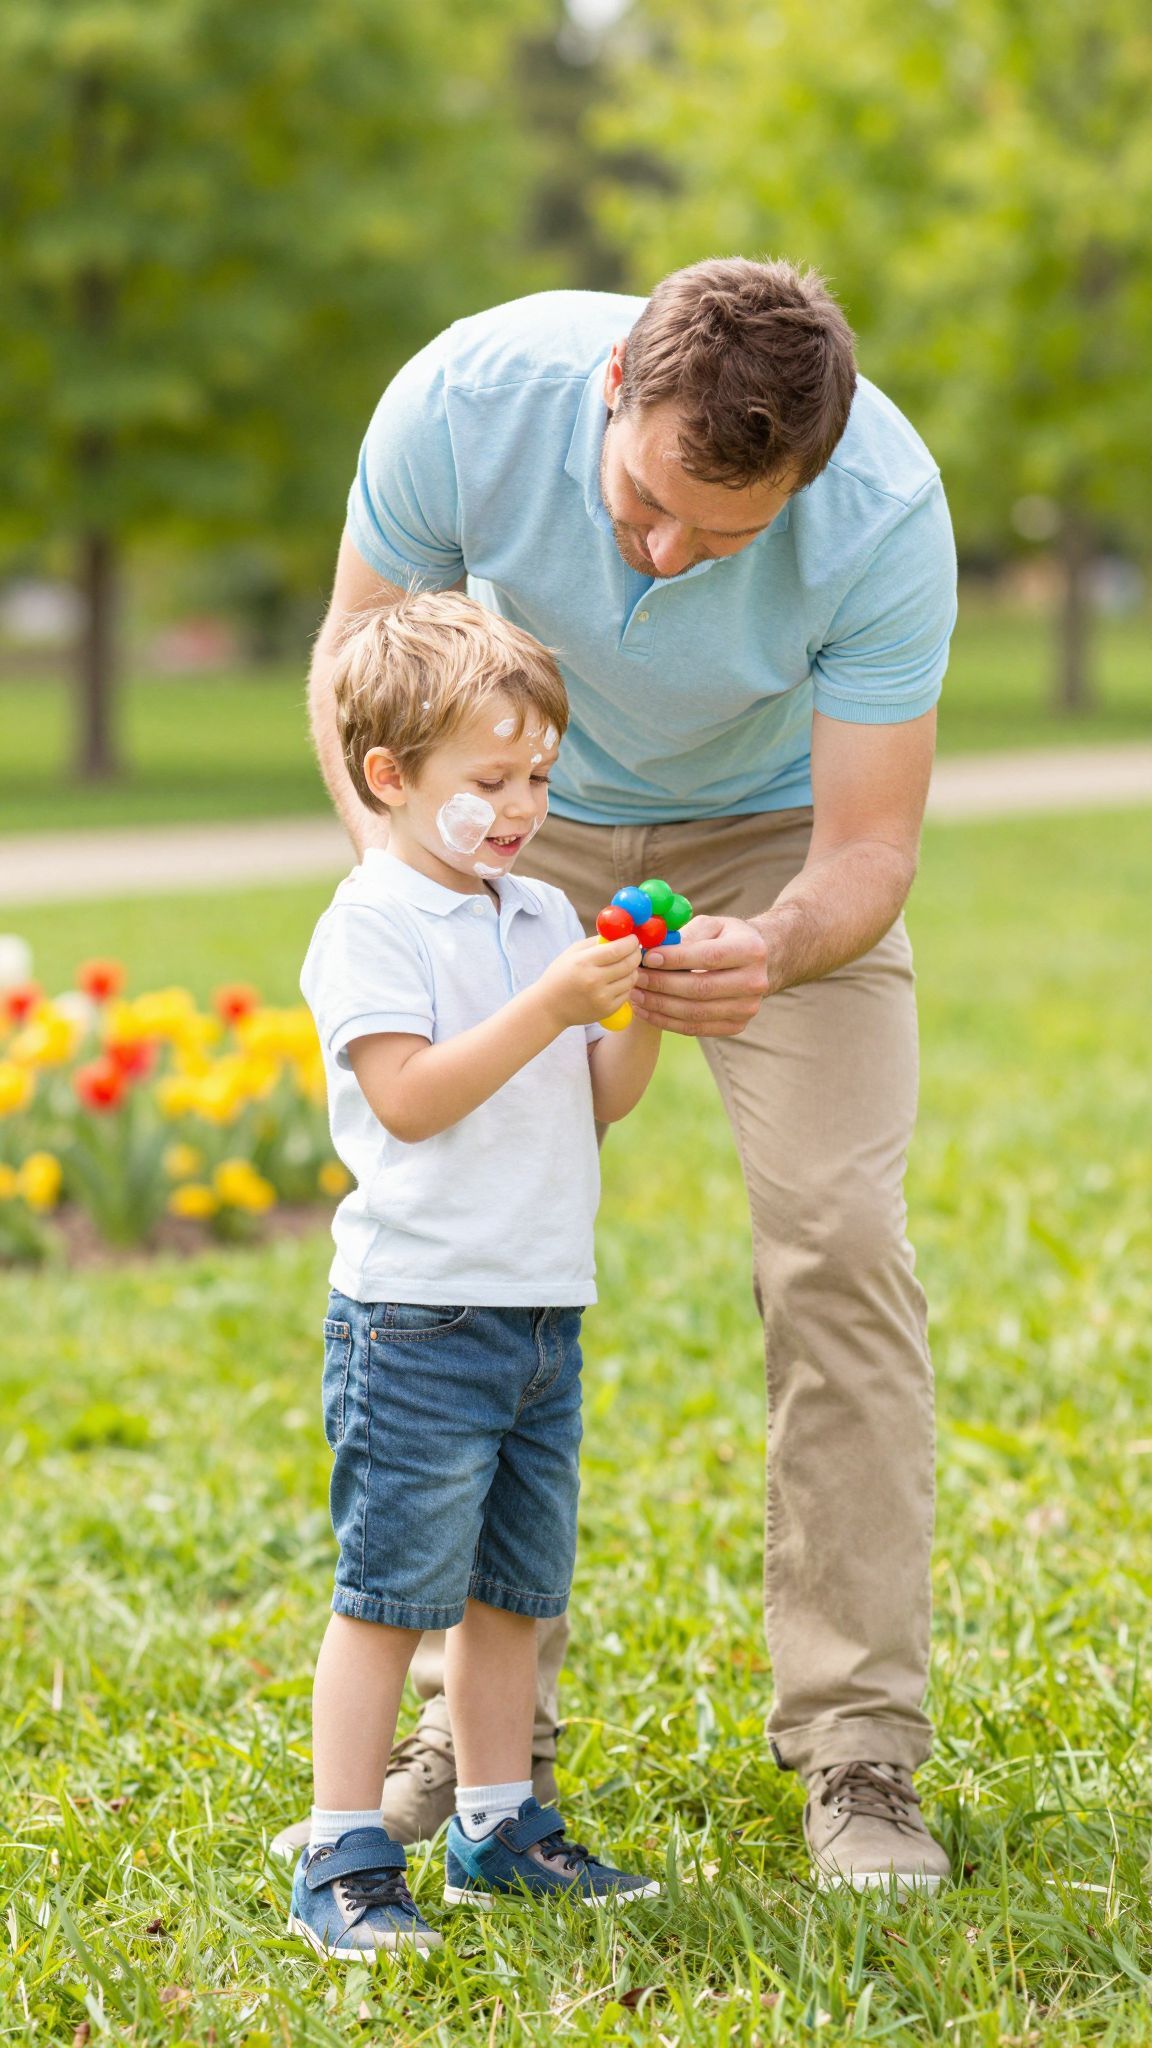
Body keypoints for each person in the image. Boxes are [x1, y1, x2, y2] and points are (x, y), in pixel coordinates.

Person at [279, 255, 958, 1893]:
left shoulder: (882, 513)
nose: (666, 555)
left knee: (838, 1245)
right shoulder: (464, 400)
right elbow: (354, 665)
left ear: (805, 478)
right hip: (516, 801)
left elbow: (870, 844)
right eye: (646, 504)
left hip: (769, 843)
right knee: (462, 1265)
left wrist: (776, 942)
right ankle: (474, 1734)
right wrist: (436, 892)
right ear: (611, 398)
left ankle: (861, 1753)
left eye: (722, 537)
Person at [288, 593, 662, 1958]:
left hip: (540, 1311)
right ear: (390, 778)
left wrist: (635, 1014)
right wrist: (550, 1003)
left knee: (518, 1594)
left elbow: (596, 1096)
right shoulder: (374, 923)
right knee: (391, 1597)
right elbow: (414, 1099)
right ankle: (342, 1850)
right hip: (418, 1321)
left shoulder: (541, 909)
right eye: (488, 781)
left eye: (540, 779)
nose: (520, 806)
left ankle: (500, 1824)